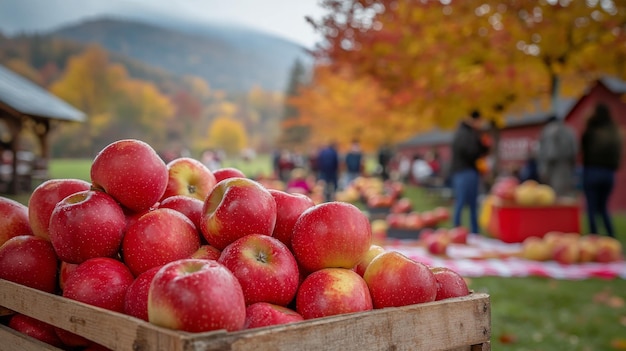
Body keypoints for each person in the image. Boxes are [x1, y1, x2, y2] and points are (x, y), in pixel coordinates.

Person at [580, 103, 622, 237]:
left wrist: (588, 120)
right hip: (609, 174)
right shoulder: (614, 132)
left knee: (591, 208)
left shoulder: (592, 131)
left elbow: (583, 148)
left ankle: (594, 237)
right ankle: (611, 236)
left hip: (592, 171)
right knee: (603, 208)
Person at [449, 110, 490, 234]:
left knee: (463, 202)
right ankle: (467, 231)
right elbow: (471, 152)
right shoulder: (468, 134)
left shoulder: (461, 133)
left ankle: (460, 229)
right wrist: (482, 148)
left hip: (461, 171)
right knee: (468, 203)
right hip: (467, 171)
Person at [537, 114, 578, 198]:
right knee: (565, 190)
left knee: (551, 193)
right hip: (566, 163)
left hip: (551, 165)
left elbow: (544, 151)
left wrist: (543, 168)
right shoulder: (569, 130)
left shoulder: (547, 130)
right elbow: (574, 149)